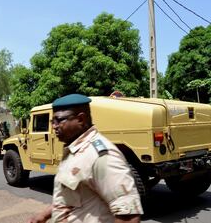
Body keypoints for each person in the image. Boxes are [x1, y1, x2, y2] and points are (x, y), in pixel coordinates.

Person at [27, 94, 143, 223]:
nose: (54, 126)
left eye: (59, 120)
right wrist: (44, 215)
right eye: (52, 121)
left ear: (81, 119)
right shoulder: (73, 150)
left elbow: (129, 216)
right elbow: (70, 197)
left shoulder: (101, 156)